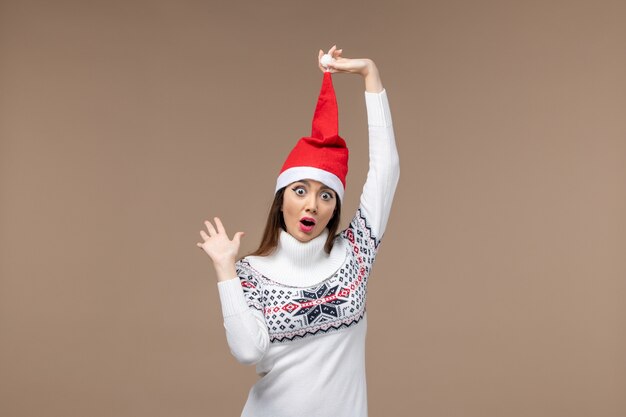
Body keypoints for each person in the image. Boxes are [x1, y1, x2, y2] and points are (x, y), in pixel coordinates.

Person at [196, 45, 400, 417]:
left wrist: (370, 74)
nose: (312, 205)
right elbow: (247, 351)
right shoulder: (252, 274)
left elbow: (386, 171)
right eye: (300, 191)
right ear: (282, 199)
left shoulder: (355, 253)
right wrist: (226, 270)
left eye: (326, 195)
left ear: (334, 207)